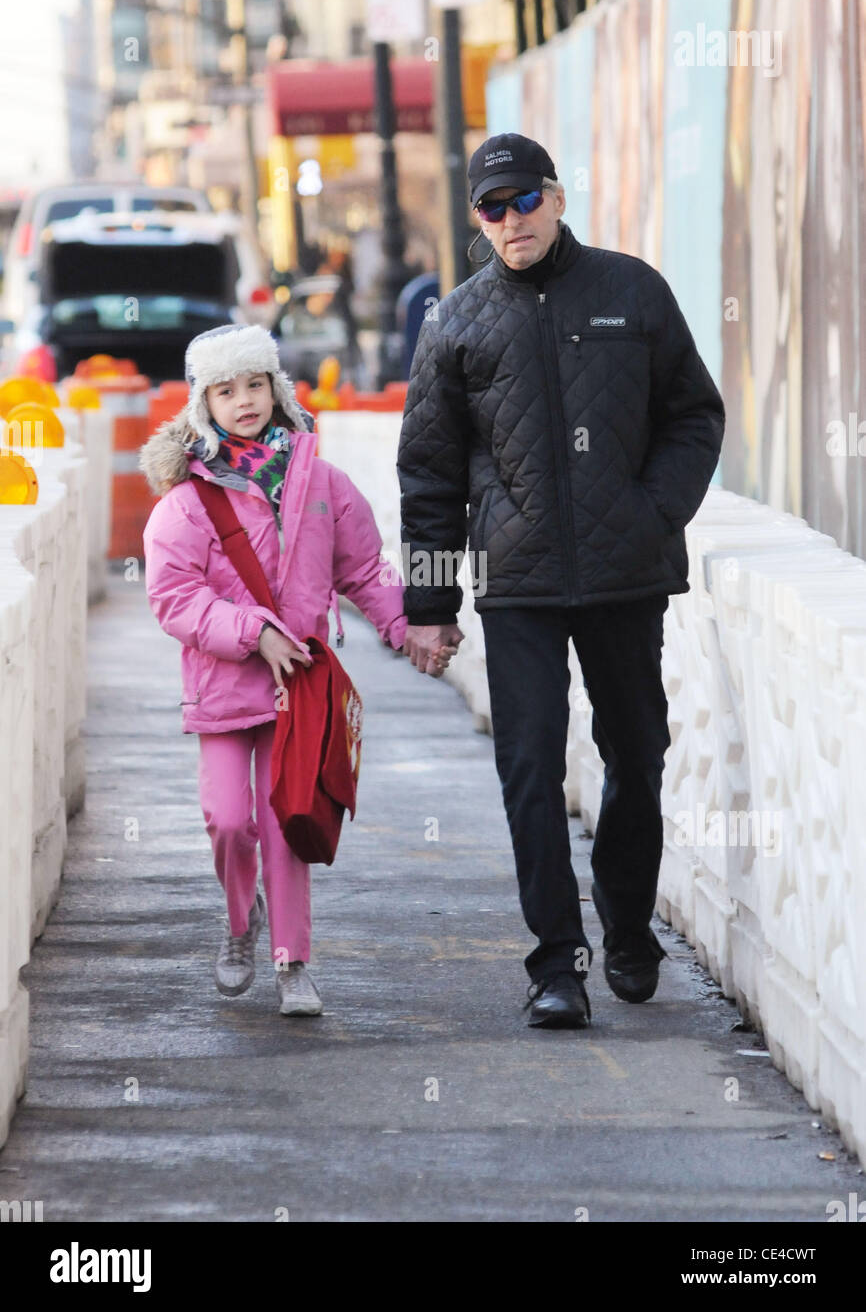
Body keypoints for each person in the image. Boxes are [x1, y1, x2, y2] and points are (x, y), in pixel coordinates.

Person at [398, 133, 725, 1030]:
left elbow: (694, 415)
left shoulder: (632, 291)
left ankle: (626, 925)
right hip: (519, 591)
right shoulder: (455, 323)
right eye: (490, 209)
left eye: (523, 201)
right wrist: (429, 605)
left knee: (638, 757)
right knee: (531, 769)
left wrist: (654, 510)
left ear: (557, 197)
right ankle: (555, 963)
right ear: (476, 220)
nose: (510, 221)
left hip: (627, 578)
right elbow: (426, 476)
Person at [139, 324, 408, 1018]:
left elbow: (362, 568)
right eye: (225, 391)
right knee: (229, 821)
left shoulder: (321, 481)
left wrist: (406, 629)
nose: (245, 401)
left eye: (255, 384)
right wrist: (254, 633)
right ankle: (239, 925)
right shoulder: (185, 502)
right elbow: (174, 597)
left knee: (285, 819)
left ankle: (294, 962)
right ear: (204, 404)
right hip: (225, 686)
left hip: (299, 692)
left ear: (276, 389)